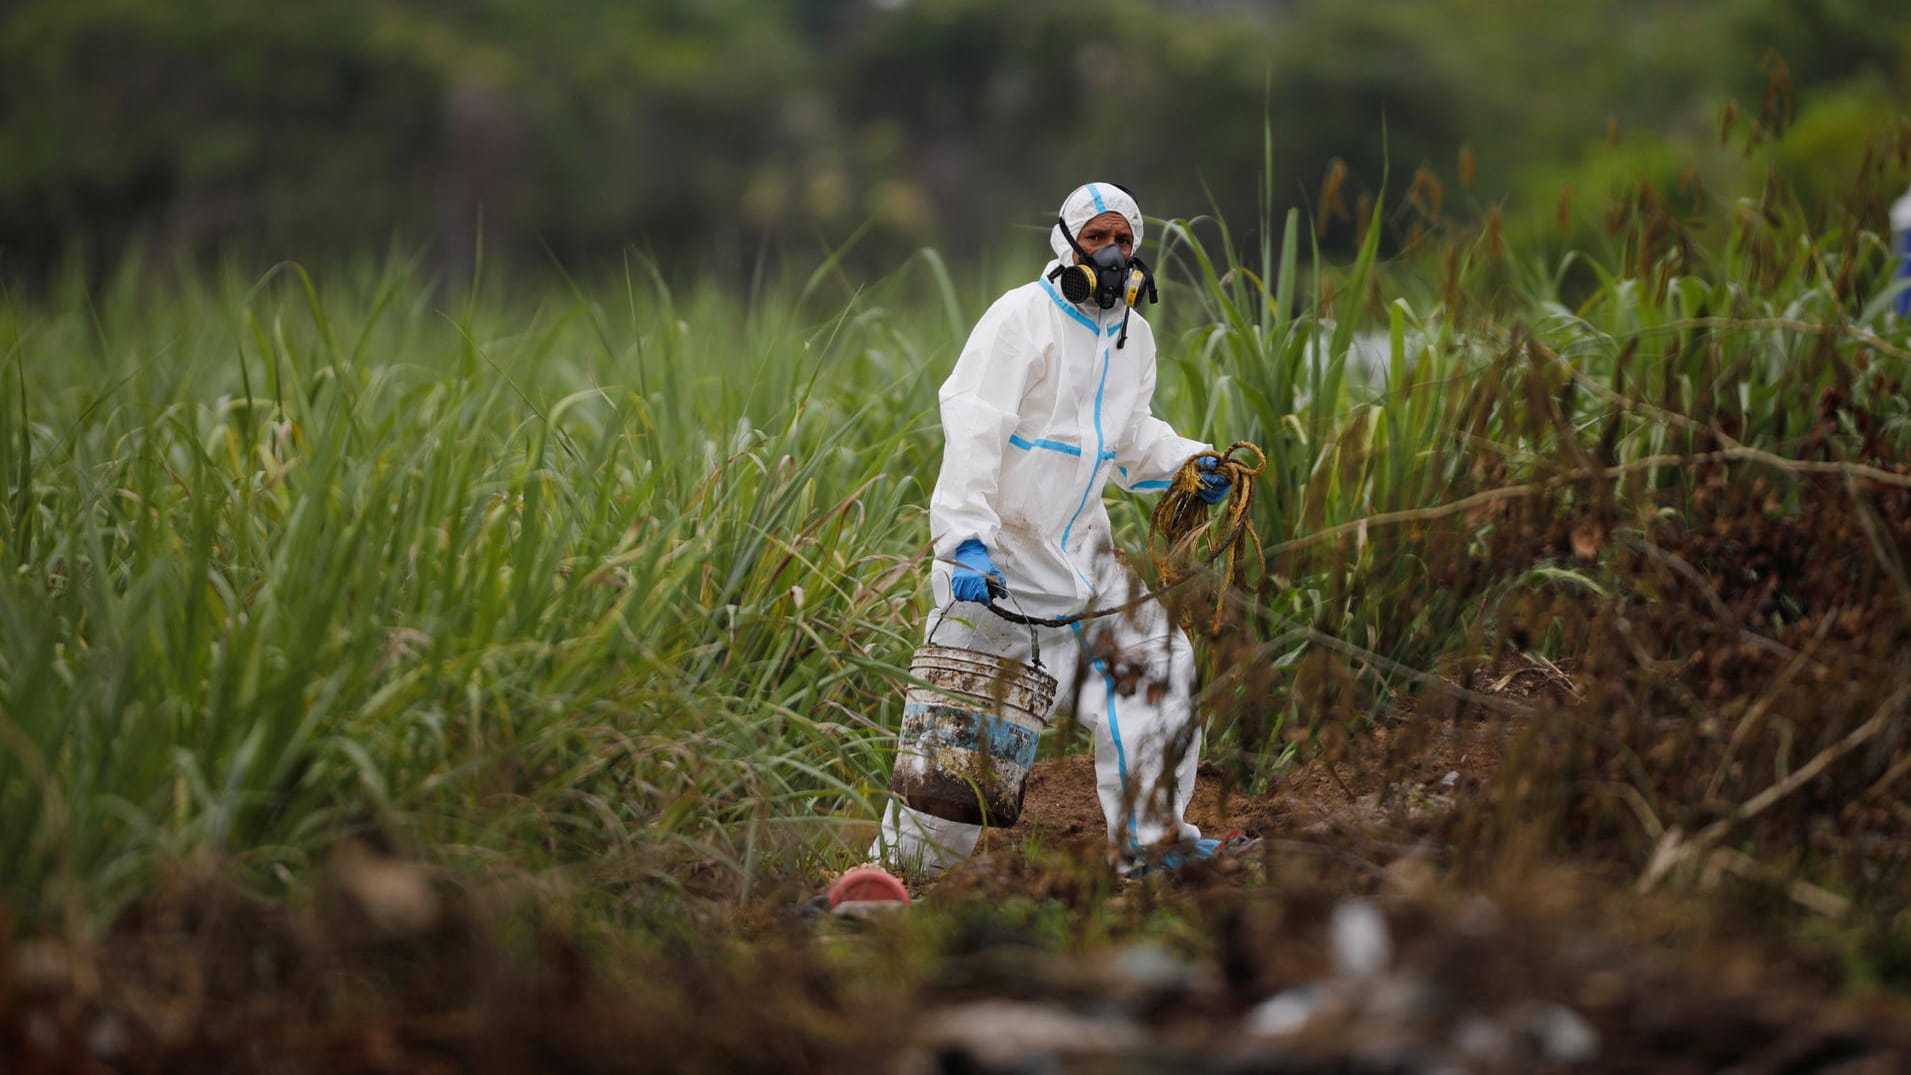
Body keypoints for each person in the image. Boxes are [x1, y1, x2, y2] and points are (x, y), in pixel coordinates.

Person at [874, 182, 1234, 877]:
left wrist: (1189, 463)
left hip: (1076, 563)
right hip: (994, 566)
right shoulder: (1019, 320)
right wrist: (963, 542)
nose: (1111, 253)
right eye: (1096, 239)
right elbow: (973, 425)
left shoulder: (1133, 337)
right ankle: (892, 885)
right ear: (1066, 244)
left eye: (1123, 240)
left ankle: (1151, 845)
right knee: (957, 753)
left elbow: (1128, 439)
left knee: (1158, 664)